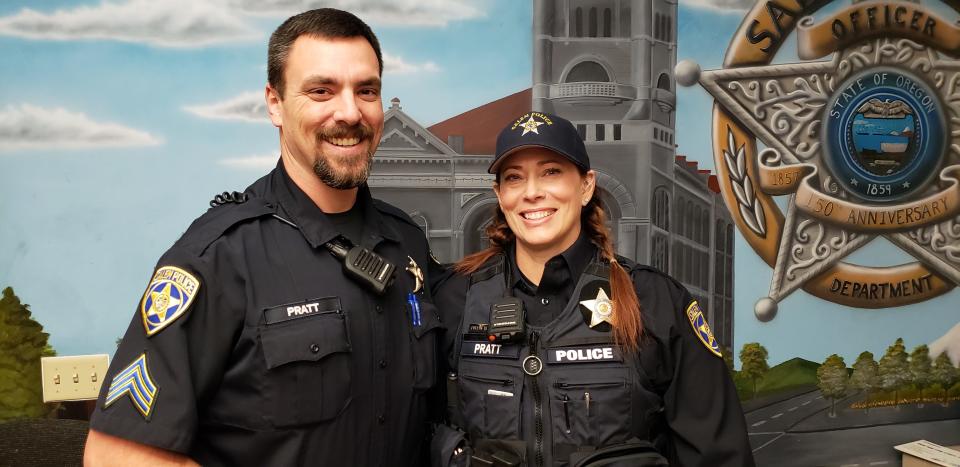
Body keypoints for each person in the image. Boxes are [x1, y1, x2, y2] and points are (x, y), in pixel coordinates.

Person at [84, 8, 442, 466]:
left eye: (366, 90)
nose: (350, 112)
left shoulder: (406, 241)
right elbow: (115, 454)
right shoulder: (217, 257)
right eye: (321, 91)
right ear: (274, 103)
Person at [433, 112, 755, 467]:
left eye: (551, 172)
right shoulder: (456, 299)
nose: (532, 192)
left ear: (585, 186)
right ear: (499, 194)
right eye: (514, 178)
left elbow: (720, 455)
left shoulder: (654, 301)